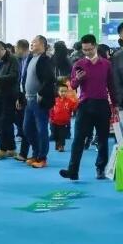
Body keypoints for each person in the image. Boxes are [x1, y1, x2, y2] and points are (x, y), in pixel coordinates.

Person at [60, 34, 117, 181]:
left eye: (90, 49)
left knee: (103, 139)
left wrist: (115, 105)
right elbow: (73, 85)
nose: (87, 52)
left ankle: (101, 169)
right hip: (85, 105)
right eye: (84, 50)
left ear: (95, 46)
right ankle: (73, 171)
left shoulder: (106, 64)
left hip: (102, 104)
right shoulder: (78, 64)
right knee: (78, 139)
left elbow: (111, 85)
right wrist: (78, 79)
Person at [20, 36, 56, 169]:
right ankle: (36, 153)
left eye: (34, 42)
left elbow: (50, 79)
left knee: (41, 130)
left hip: (38, 101)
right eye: (32, 42)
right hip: (28, 99)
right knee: (27, 128)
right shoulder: (31, 58)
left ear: (42, 45)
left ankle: (42, 157)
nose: (32, 44)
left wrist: (40, 93)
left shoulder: (44, 59)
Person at [13, 39, 30, 160]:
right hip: (22, 95)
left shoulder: (33, 59)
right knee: (24, 124)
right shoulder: (19, 60)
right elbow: (19, 80)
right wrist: (19, 97)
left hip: (32, 96)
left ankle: (35, 154)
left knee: (30, 126)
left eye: (16, 48)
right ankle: (23, 153)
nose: (15, 51)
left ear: (20, 49)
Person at [50, 82, 78, 152]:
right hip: (54, 122)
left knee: (62, 135)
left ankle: (61, 146)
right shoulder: (54, 100)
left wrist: (78, 102)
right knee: (55, 134)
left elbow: (74, 107)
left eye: (65, 91)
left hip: (64, 123)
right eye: (62, 91)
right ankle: (57, 144)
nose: (63, 93)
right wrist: (51, 118)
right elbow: (51, 110)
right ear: (58, 92)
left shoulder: (69, 101)